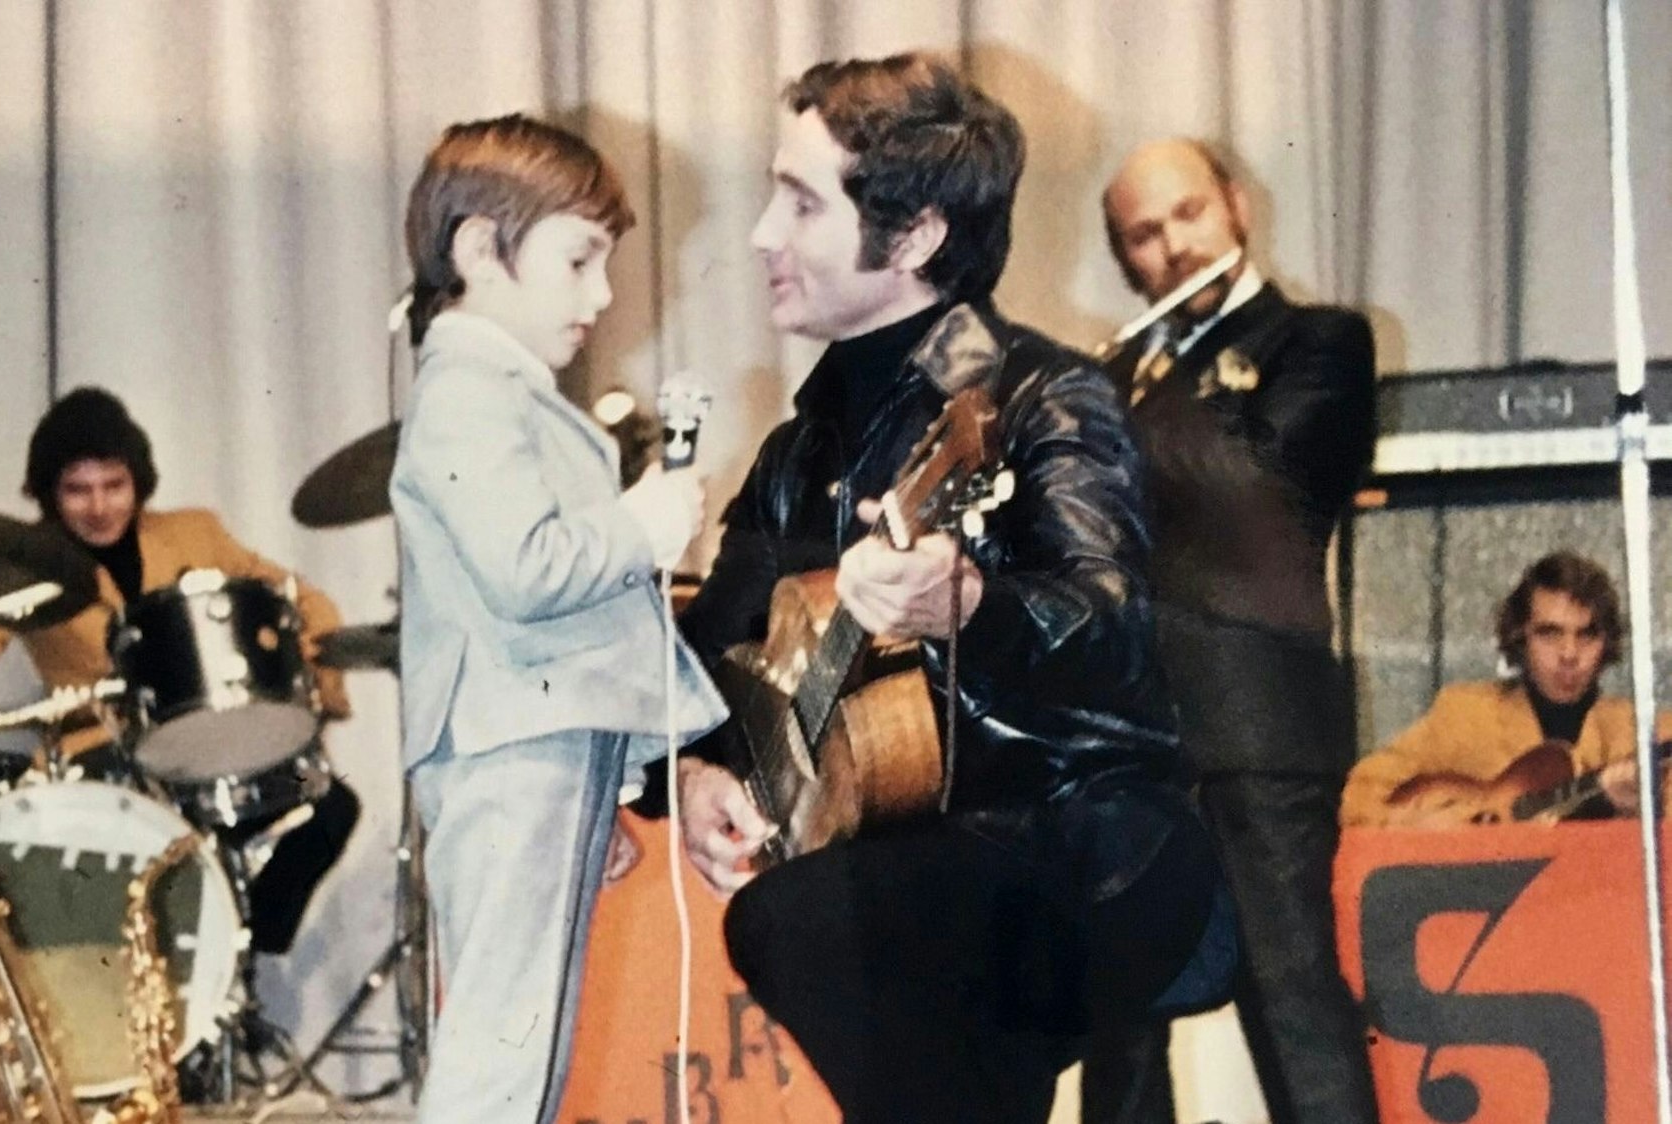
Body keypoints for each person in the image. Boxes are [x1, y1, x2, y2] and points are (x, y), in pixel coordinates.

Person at [673, 55, 1237, 1124]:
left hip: (1083, 844)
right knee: (830, 927)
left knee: (802, 919)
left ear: (916, 236)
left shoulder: (1043, 395)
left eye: (800, 202)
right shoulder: (799, 450)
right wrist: (695, 774)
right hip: (910, 859)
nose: (759, 233)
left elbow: (1115, 623)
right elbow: (705, 661)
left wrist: (972, 606)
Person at [389, 114, 726, 1124]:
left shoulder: (502, 391)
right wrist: (642, 523)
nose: (602, 294)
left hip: (536, 751)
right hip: (511, 755)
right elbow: (525, 569)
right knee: (501, 1056)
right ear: (478, 250)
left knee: (522, 1050)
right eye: (578, 259)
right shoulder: (467, 390)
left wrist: (606, 780)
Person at [1078, 138, 1379, 1124]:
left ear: (1236, 207)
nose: (1173, 247)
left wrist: (1092, 411)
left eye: (1189, 213)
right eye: (1143, 235)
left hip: (1257, 727)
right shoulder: (1112, 377)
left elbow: (1261, 478)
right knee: (1121, 1030)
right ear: (1126, 260)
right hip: (1130, 733)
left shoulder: (1320, 342)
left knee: (1292, 1006)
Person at [0, 385, 357, 954]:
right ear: (50, 493)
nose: (99, 506)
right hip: (101, 762)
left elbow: (298, 597)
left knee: (327, 805)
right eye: (78, 490)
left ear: (138, 480)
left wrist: (315, 681)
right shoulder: (25, 563)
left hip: (210, 751)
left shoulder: (194, 532)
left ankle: (240, 945)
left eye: (114, 485)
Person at [1342, 551, 1670, 826]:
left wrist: (1634, 811)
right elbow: (1360, 795)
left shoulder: (1644, 733)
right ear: (1519, 637)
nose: (1569, 653)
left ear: (1607, 642)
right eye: (1550, 633)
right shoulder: (1464, 714)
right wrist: (1450, 825)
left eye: (1587, 635)